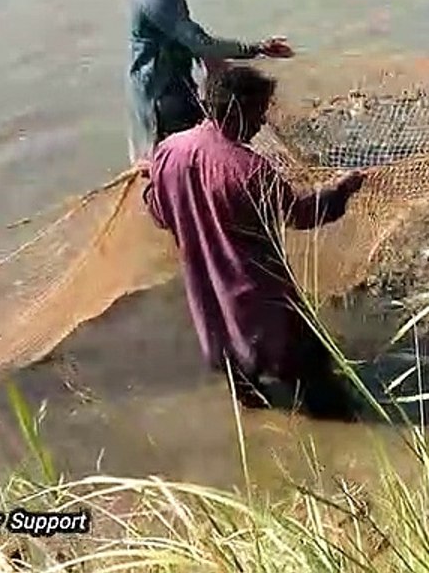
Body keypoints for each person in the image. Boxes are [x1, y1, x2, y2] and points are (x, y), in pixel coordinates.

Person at [143, 65, 367, 419]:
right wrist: (342, 191)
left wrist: (155, 180)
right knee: (318, 382)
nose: (262, 124)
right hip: (262, 300)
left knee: (242, 380)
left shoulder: (169, 152)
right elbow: (301, 215)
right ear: (234, 111)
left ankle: (260, 422)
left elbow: (158, 212)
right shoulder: (249, 170)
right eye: (257, 114)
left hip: (210, 300)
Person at [127, 0, 294, 164]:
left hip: (176, 75)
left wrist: (207, 57)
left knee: (200, 136)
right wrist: (256, 48)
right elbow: (197, 41)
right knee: (184, 153)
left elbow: (186, 32)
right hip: (161, 91)